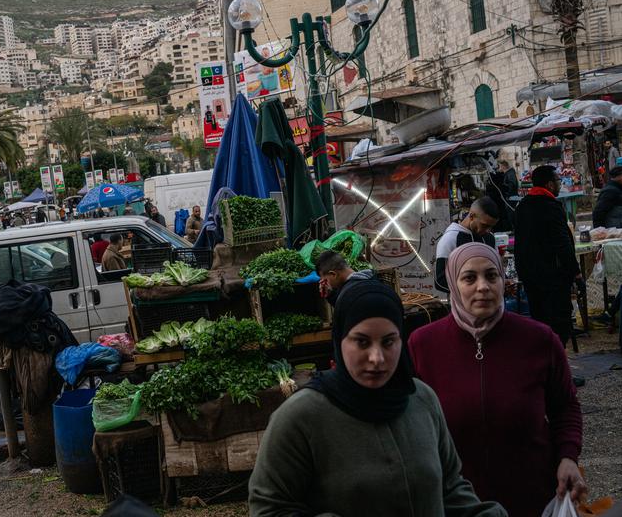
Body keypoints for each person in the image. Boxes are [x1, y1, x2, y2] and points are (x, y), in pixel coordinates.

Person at [248, 281, 506, 517]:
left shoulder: (420, 399)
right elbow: (269, 509)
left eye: (388, 341)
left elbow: (450, 488)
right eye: (361, 342)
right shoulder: (300, 417)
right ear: (339, 341)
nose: (377, 358)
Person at [409, 243, 584, 517]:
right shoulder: (423, 345)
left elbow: (565, 406)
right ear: (453, 283)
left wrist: (567, 457)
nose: (483, 287)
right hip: (455, 503)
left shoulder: (539, 339)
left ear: (503, 280)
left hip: (531, 497)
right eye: (469, 278)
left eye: (492, 276)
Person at [514, 165, 581, 346]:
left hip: (530, 276)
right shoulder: (550, 207)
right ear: (550, 184)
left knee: (540, 319)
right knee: (559, 322)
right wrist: (575, 271)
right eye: (558, 181)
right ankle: (556, 365)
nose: (560, 185)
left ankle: (546, 364)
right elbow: (562, 244)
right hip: (552, 277)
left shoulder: (522, 206)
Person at [434, 197, 499, 292]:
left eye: (491, 226)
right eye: (484, 225)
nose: (488, 230)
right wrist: (473, 291)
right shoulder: (450, 239)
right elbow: (441, 281)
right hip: (462, 305)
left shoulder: (490, 238)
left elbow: (495, 270)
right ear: (471, 216)